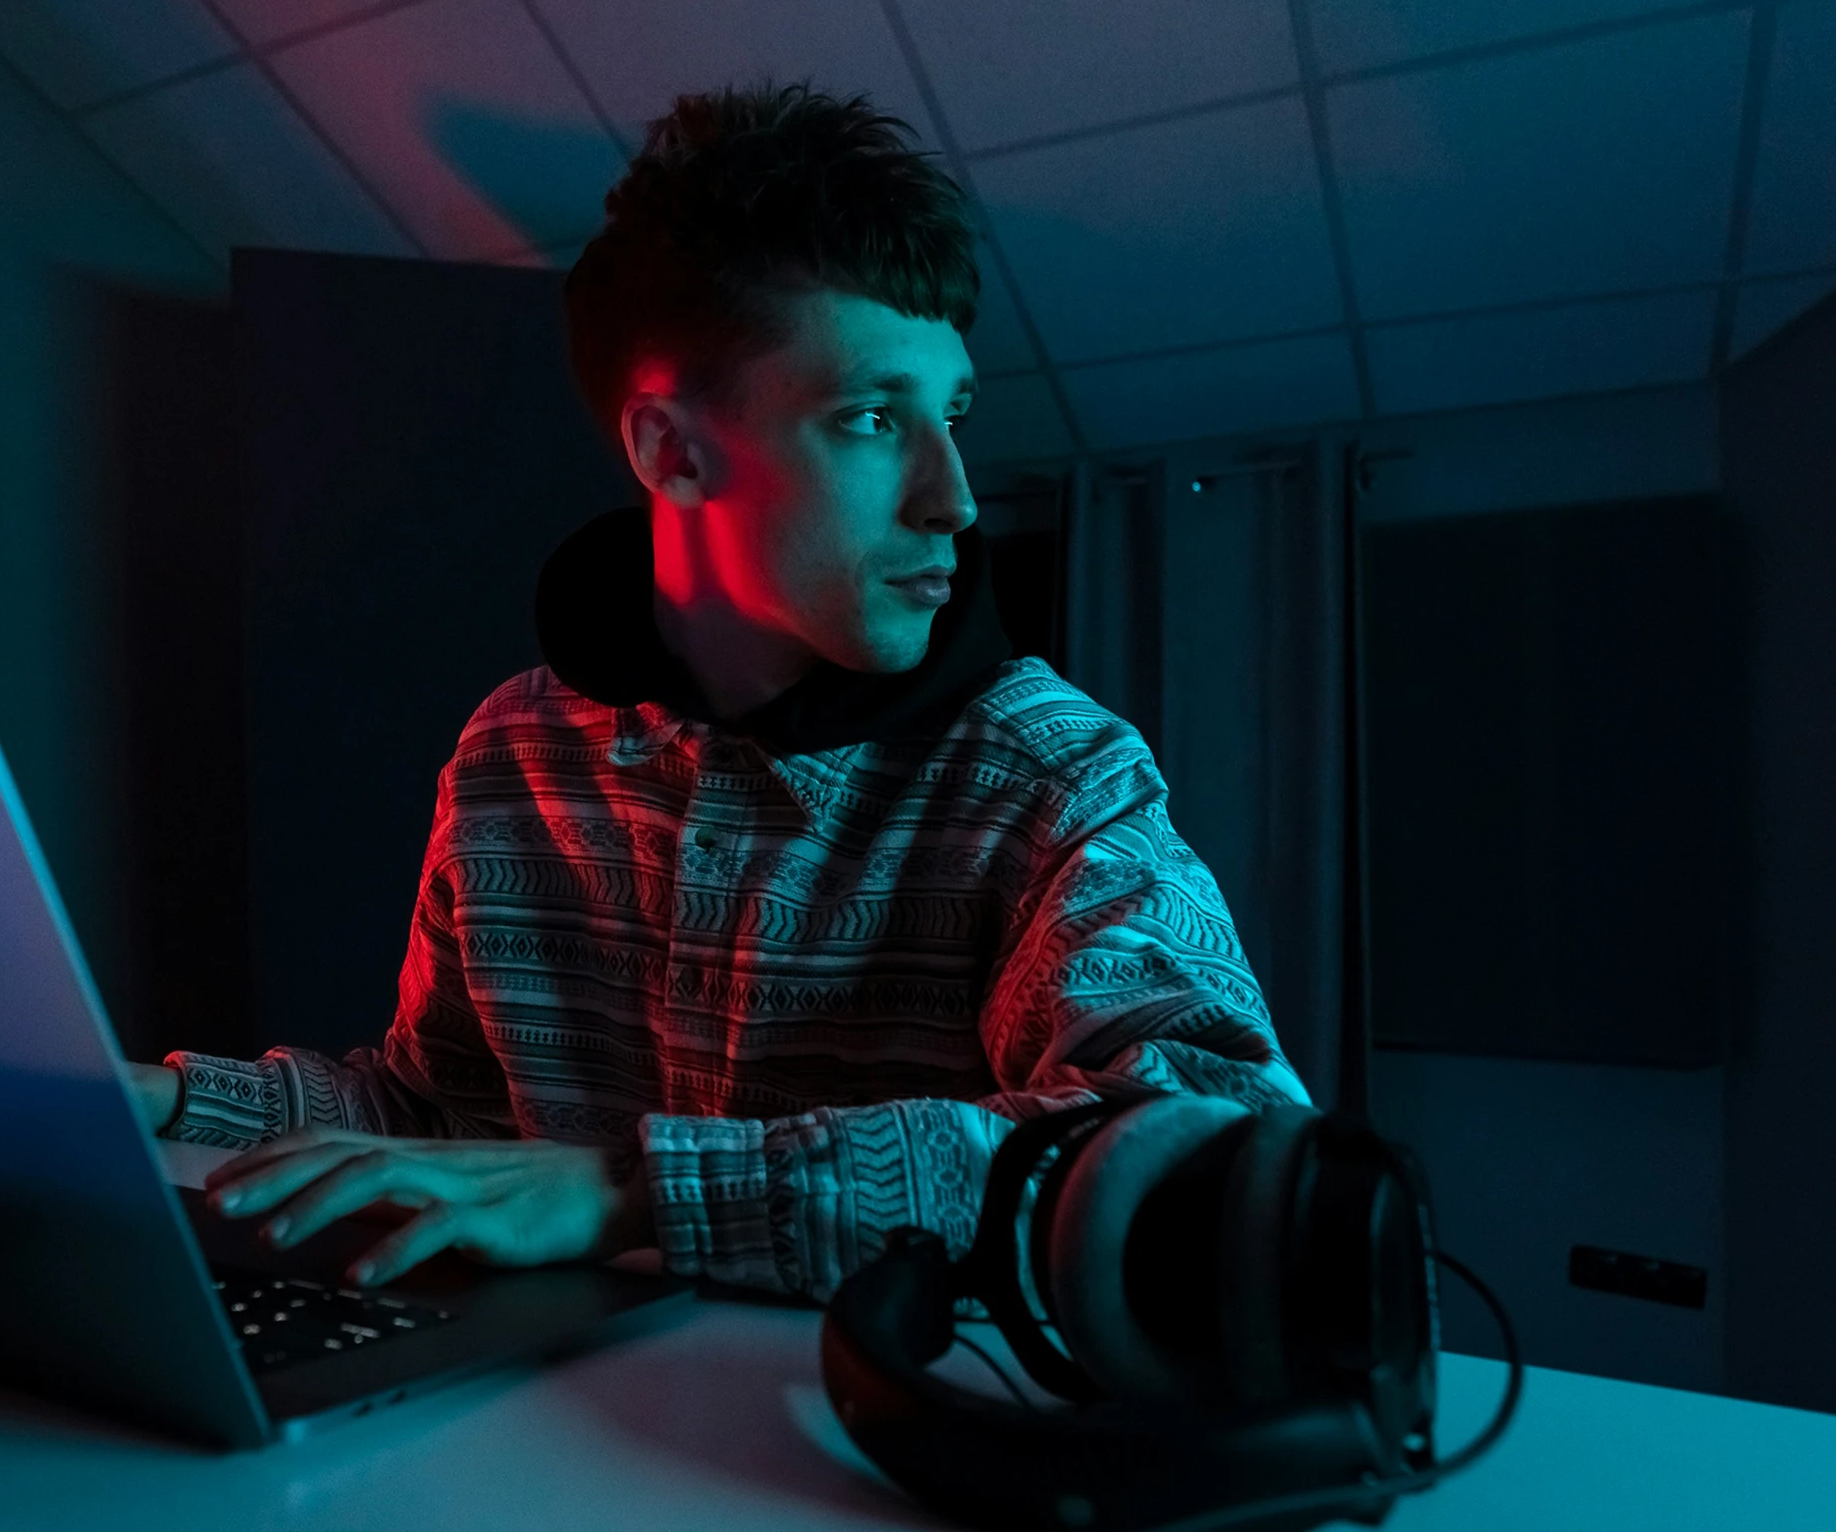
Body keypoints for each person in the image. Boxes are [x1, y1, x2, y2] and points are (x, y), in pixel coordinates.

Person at [126, 83, 1308, 1304]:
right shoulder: (510, 753)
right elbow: (431, 1110)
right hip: (535, 1440)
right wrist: (160, 1095)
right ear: (669, 450)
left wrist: (631, 1194)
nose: (952, 495)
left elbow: (1222, 1151)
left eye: (949, 413)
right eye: (868, 417)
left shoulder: (1051, 770)